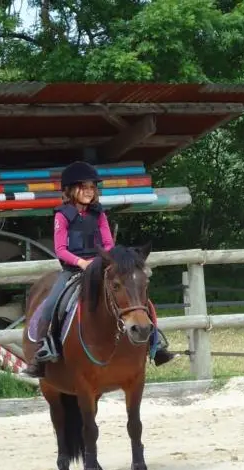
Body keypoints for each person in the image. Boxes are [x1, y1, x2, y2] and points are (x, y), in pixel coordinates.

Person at [23, 160, 174, 377]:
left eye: (92, 187)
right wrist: (81, 263)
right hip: (73, 270)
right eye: (83, 187)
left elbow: (108, 244)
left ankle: (155, 344)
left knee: (140, 300)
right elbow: (61, 249)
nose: (89, 191)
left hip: (102, 268)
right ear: (70, 190)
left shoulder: (99, 213)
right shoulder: (62, 215)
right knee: (51, 304)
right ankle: (42, 353)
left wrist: (108, 261)